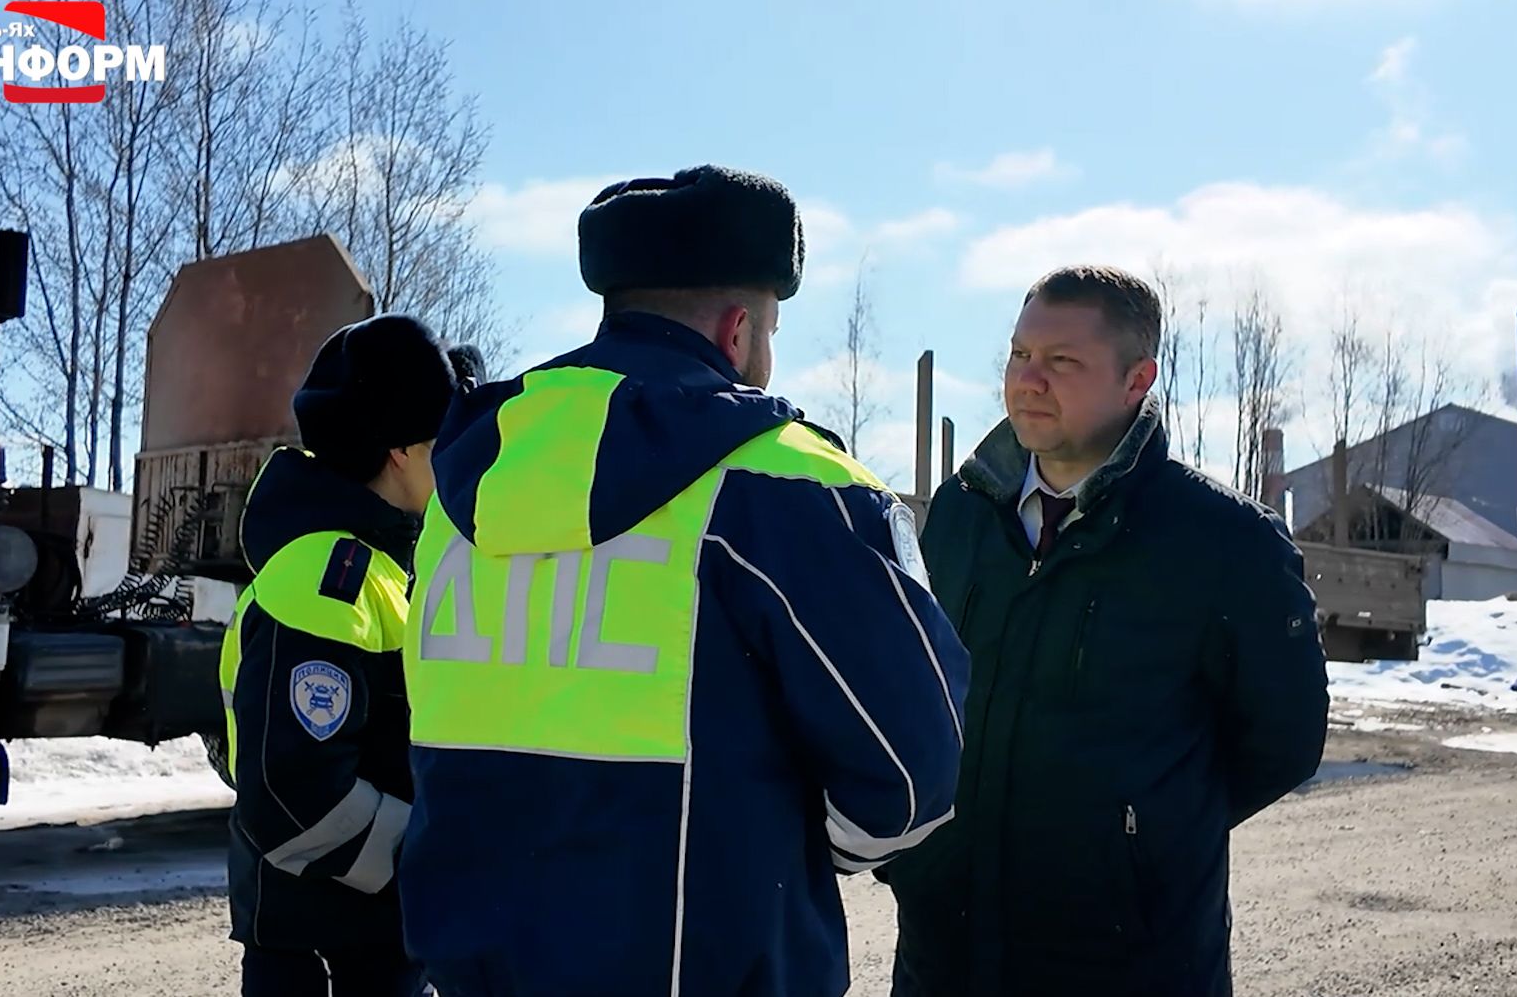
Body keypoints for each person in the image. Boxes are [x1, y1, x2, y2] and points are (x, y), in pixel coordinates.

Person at [398, 165, 971, 997]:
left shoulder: (466, 483)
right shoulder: (788, 484)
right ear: (740, 331)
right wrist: (808, 844)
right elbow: (911, 776)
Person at [881, 266, 1329, 996]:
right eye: (1021, 355)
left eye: (1062, 363)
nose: (1029, 380)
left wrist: (1139, 841)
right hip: (945, 951)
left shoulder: (1224, 543)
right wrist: (919, 855)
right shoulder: (964, 511)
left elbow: (1282, 742)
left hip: (1128, 963)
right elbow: (919, 685)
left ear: (1136, 380)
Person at [216, 314, 465, 997]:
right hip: (328, 950)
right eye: (442, 438)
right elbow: (296, 796)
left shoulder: (376, 569)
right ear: (399, 452)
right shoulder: (329, 581)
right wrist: (437, 857)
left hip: (361, 936)